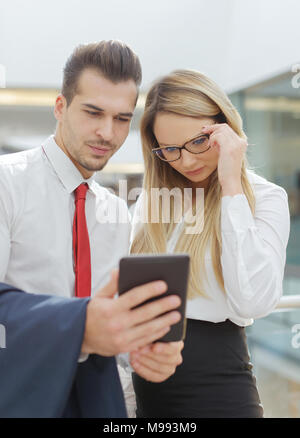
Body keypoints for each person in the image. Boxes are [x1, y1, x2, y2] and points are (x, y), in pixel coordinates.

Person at [0, 41, 184, 418]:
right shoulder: (6, 184)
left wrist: (144, 352)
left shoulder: (116, 210)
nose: (107, 133)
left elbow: (112, 330)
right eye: (93, 112)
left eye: (121, 118)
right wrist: (79, 327)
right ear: (60, 107)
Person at [129, 69, 291, 418]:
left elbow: (253, 301)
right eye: (170, 149)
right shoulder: (152, 202)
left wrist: (231, 183)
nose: (186, 161)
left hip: (219, 394)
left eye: (198, 142)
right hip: (148, 395)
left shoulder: (264, 198)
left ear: (225, 128)